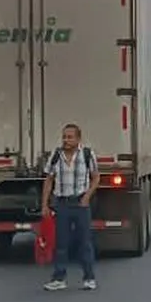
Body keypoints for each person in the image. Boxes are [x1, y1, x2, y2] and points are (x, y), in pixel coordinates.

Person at [41, 123, 99, 291]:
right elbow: (49, 180)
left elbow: (96, 177)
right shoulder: (56, 155)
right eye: (64, 137)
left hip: (81, 203)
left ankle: (89, 278)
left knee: (85, 241)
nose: (66, 140)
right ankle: (59, 278)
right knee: (61, 242)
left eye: (70, 137)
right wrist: (45, 204)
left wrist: (87, 196)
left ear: (78, 139)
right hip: (62, 204)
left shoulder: (87, 154)